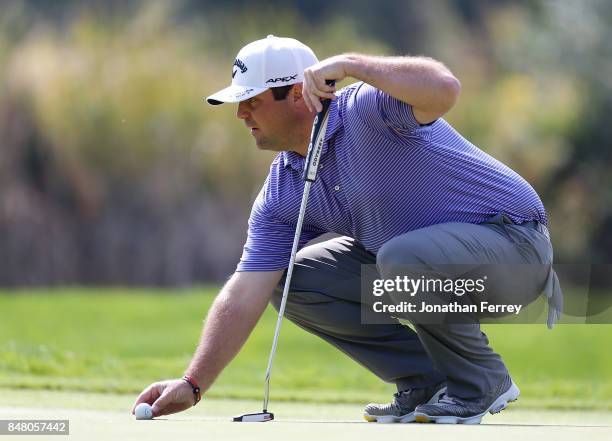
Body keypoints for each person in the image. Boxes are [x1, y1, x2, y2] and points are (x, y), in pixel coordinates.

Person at [132, 35, 562, 425]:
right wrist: (193, 384)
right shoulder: (282, 189)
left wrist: (352, 64)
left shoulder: (368, 108)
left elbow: (446, 88)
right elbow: (246, 289)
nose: (241, 114)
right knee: (289, 281)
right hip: (423, 268)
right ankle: (427, 381)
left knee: (401, 257)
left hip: (516, 252)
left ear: (298, 94)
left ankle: (481, 382)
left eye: (253, 100)